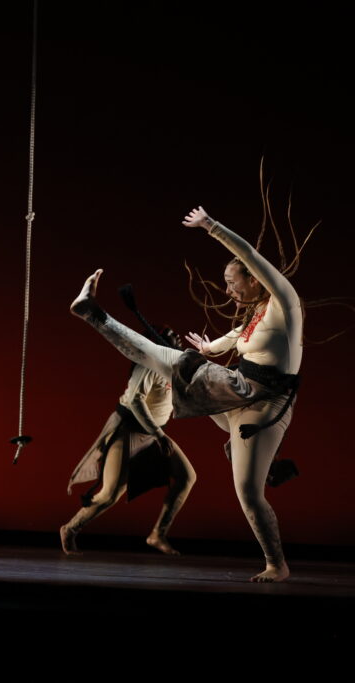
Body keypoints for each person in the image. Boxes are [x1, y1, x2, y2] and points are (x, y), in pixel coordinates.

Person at [70, 206, 301, 582]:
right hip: (235, 389)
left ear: (257, 280)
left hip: (265, 406)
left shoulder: (285, 304)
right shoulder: (256, 311)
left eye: (232, 282)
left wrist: (211, 226)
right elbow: (241, 338)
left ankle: (277, 564)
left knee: (247, 492)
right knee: (166, 359)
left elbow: (251, 256)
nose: (228, 290)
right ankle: (94, 314)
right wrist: (210, 349)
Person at [61, 327, 197, 556]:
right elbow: (135, 401)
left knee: (186, 477)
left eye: (175, 333)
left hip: (153, 433)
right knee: (110, 493)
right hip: (129, 428)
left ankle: (158, 534)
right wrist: (159, 435)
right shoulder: (148, 364)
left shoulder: (174, 366)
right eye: (169, 334)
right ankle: (70, 528)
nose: (176, 334)